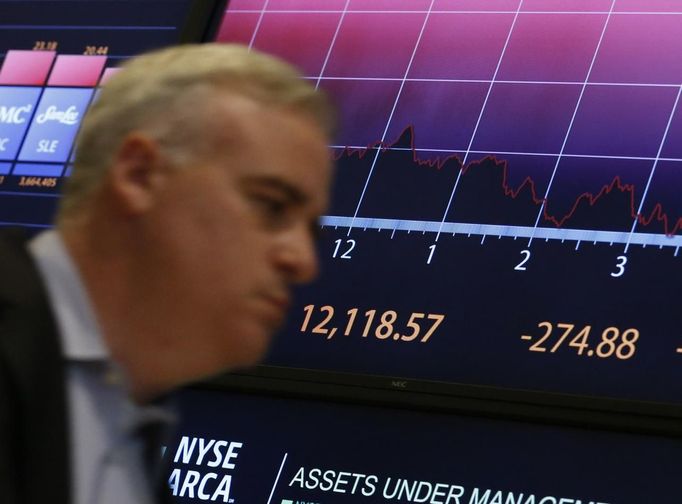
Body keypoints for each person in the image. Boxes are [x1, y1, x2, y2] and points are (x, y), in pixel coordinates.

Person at [0, 43, 335, 504]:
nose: (303, 261)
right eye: (270, 205)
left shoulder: (133, 425)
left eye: (311, 230)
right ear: (139, 175)